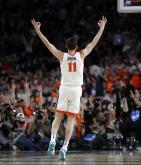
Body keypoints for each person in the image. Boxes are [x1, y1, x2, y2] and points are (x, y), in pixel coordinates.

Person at [31, 16, 107, 160]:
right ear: (76, 47)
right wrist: (102, 27)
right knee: (71, 120)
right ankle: (64, 147)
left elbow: (47, 44)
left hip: (64, 88)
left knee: (58, 117)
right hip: (76, 90)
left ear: (66, 47)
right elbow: (94, 42)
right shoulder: (82, 54)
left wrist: (37, 30)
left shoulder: (61, 56)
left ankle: (53, 140)